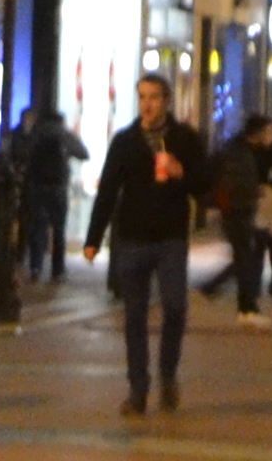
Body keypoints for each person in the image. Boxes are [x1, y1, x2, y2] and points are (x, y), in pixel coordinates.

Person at [88, 74, 209, 419]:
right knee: (135, 316)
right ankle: (138, 389)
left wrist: (180, 171)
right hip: (132, 237)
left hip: (171, 237)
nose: (147, 104)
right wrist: (93, 238)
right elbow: (108, 189)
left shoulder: (184, 139)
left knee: (174, 307)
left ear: (167, 100)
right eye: (142, 97)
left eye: (154, 97)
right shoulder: (126, 141)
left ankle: (168, 375)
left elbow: (204, 186)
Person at [204, 113, 271, 319]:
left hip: (241, 208)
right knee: (245, 257)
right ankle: (244, 305)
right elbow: (230, 181)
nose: (270, 136)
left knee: (245, 257)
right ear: (258, 133)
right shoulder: (236, 152)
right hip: (236, 210)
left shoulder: (244, 150)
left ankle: (243, 304)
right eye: (268, 131)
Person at [9, 103, 83, 286]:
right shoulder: (64, 134)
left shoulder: (36, 134)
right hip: (58, 188)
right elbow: (83, 153)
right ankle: (57, 271)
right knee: (58, 231)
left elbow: (21, 155)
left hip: (37, 187)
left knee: (38, 229)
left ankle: (35, 267)